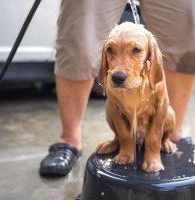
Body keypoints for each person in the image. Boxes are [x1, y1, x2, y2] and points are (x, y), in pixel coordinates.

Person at [39, 0, 195, 177]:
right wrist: (125, 144)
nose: (119, 70)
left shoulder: (155, 70)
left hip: (159, 119)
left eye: (136, 50)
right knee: (80, 36)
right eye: (110, 51)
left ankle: (170, 135)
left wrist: (153, 148)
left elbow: (161, 109)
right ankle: (69, 140)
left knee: (187, 33)